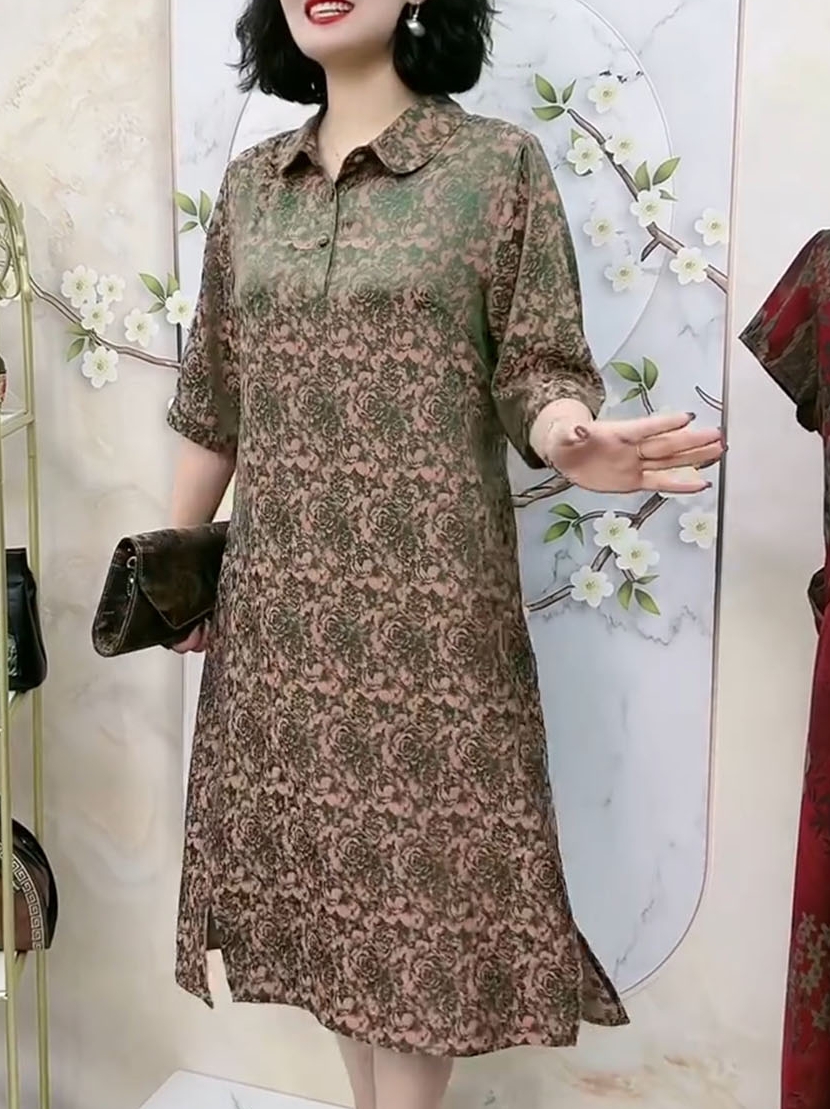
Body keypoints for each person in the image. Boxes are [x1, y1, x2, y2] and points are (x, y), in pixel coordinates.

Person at [166, 2, 725, 1107]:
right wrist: (177, 568)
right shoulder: (252, 188)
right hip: (283, 621)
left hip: (430, 624)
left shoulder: (493, 168)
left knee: (420, 906)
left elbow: (537, 366)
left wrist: (570, 436)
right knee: (331, 902)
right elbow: (213, 399)